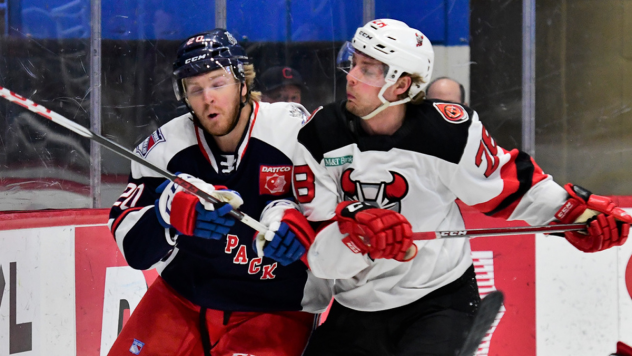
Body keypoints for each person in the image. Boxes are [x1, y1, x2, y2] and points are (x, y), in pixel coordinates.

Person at [258, 19, 632, 355]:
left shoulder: (448, 132)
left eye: (367, 69)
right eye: (354, 64)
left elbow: (512, 188)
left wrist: (575, 214)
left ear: (401, 84)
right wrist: (358, 239)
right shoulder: (320, 135)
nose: (351, 77)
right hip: (357, 305)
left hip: (439, 299)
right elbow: (321, 254)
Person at [107, 29, 331, 356]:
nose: (207, 97)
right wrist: (165, 213)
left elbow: (336, 212)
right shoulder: (165, 149)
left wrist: (301, 223)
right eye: (194, 89)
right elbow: (135, 251)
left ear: (243, 82)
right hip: (182, 299)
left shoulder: (294, 132)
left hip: (276, 307)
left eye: (217, 82)